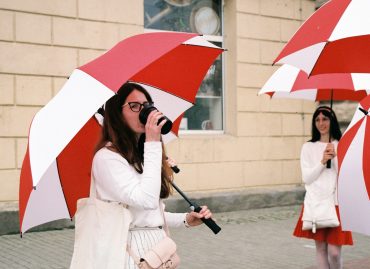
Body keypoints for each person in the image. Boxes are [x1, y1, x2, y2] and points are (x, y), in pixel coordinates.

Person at [93, 82, 213, 268]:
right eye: (134, 106)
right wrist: (152, 142)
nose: (144, 112)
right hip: (129, 251)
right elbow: (146, 200)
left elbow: (151, 213)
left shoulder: (140, 155)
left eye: (147, 105)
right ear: (117, 114)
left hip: (158, 247)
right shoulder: (107, 158)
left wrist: (186, 219)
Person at [293, 106, 353, 269]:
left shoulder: (341, 145)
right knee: (320, 248)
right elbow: (307, 178)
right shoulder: (308, 147)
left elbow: (345, 177)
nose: (321, 123)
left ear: (331, 121)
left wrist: (334, 159)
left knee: (334, 252)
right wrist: (322, 161)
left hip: (336, 203)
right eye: (317, 119)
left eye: (325, 119)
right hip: (315, 202)